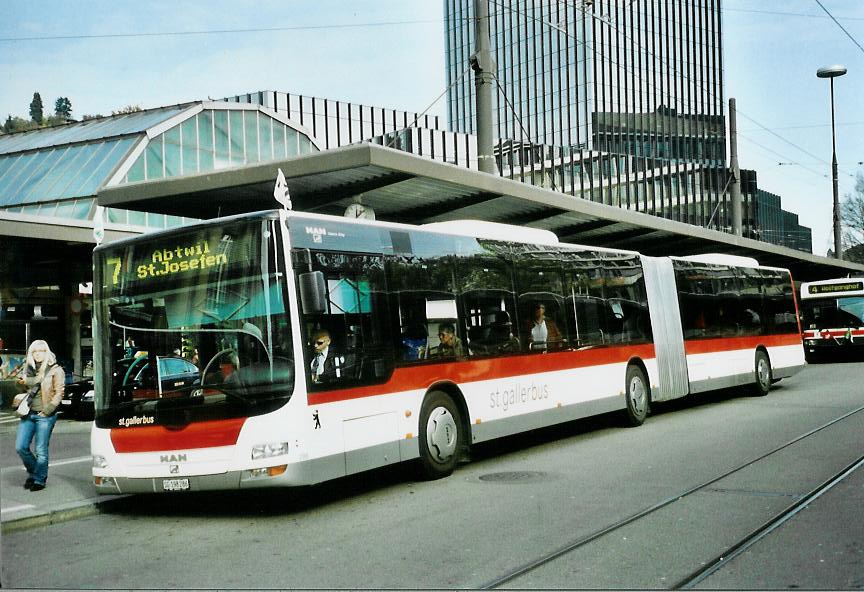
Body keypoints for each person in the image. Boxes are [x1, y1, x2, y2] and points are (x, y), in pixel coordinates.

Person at [13, 340, 64, 492]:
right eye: (34, 351)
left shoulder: (55, 370)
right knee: (21, 447)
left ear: (46, 352)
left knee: (41, 450)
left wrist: (48, 410)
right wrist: (19, 382)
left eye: (41, 351)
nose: (37, 354)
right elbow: (23, 388)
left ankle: (39, 480)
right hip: (28, 413)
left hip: (45, 415)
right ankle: (36, 472)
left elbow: (59, 392)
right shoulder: (29, 369)